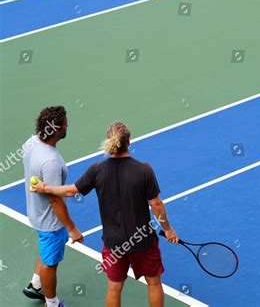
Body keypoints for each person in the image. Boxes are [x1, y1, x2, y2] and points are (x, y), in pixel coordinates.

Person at [32, 121, 179, 307]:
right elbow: (156, 205)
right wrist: (168, 230)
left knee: (114, 288)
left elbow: (71, 191)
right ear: (129, 141)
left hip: (113, 243)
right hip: (143, 241)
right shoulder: (144, 170)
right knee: (154, 283)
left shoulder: (97, 169)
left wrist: (45, 187)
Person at [22, 106, 84, 307]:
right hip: (51, 222)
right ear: (56, 129)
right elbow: (55, 200)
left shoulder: (31, 143)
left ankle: (36, 284)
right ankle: (52, 303)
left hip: (35, 211)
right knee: (50, 264)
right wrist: (72, 228)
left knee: (46, 251)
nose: (68, 125)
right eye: (65, 123)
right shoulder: (51, 162)